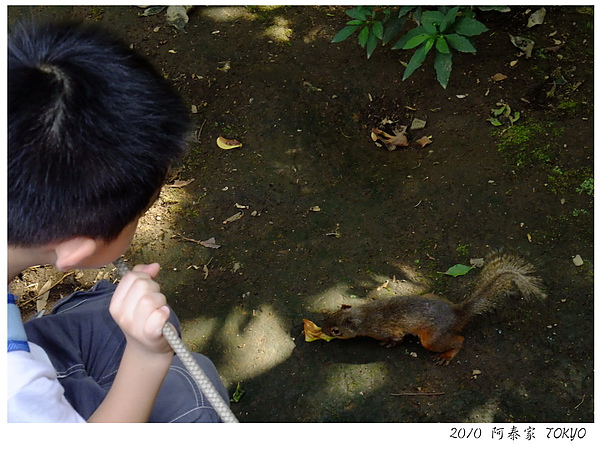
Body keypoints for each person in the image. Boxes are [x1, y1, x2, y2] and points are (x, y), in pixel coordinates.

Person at [7, 21, 229, 422]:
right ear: (79, 248)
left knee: (116, 313)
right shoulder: (15, 390)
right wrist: (146, 358)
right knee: (196, 398)